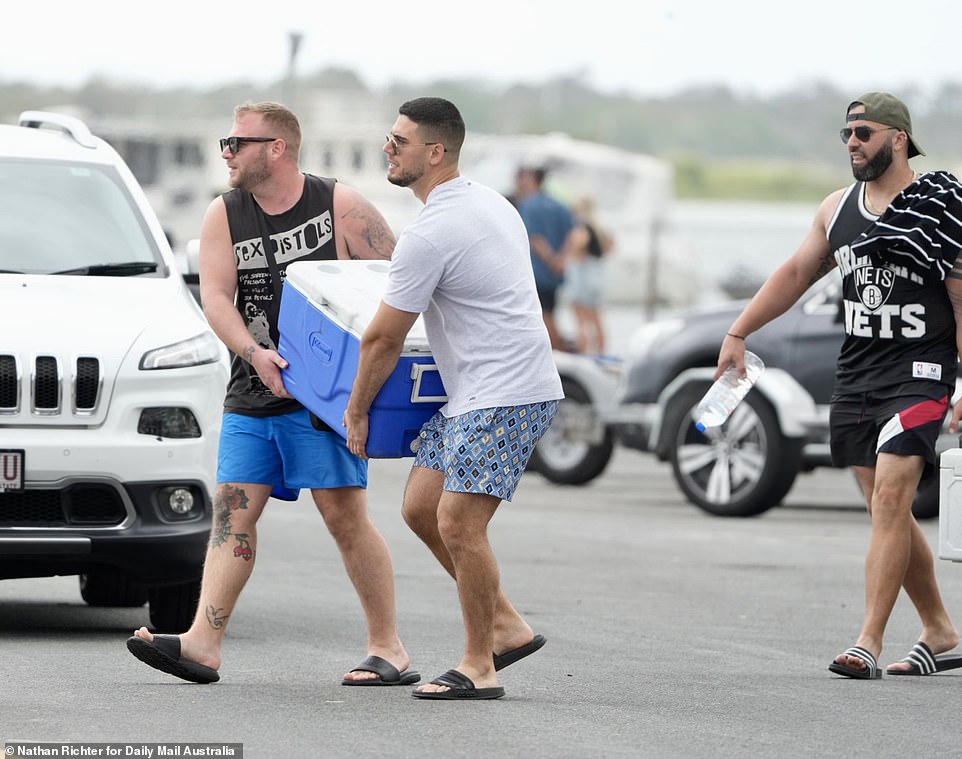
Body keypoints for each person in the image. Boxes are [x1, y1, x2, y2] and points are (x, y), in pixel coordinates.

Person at [126, 101, 418, 687]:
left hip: (323, 401)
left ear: (277, 148)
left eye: (237, 142)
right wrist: (254, 354)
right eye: (225, 142)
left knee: (344, 517)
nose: (226, 152)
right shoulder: (224, 214)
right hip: (252, 390)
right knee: (232, 515)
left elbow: (400, 281)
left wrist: (367, 370)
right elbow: (216, 298)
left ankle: (389, 649)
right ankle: (202, 644)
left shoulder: (339, 205)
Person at [715, 92, 962, 679]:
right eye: (847, 133)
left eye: (864, 132)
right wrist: (739, 331)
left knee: (891, 498)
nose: (852, 142)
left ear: (898, 139)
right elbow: (798, 273)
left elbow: (961, 298)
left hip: (920, 371)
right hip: (857, 375)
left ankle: (867, 642)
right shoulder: (838, 208)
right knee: (887, 511)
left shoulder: (941, 205)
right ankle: (941, 630)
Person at [343, 97, 564, 700]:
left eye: (400, 141)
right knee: (421, 506)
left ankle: (479, 665)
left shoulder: (432, 232)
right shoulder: (490, 202)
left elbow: (383, 338)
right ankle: (507, 625)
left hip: (507, 390)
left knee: (459, 523)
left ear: (435, 153)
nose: (389, 148)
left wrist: (356, 409)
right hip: (481, 388)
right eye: (390, 138)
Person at [514, 166, 576, 351]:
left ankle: (556, 352)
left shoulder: (529, 205)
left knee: (543, 316)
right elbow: (573, 233)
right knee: (551, 313)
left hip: (539, 271)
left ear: (533, 180)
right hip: (556, 273)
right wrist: (562, 259)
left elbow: (535, 238)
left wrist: (550, 259)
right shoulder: (560, 205)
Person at [564, 195, 614, 354]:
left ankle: (584, 355)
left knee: (581, 322)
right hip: (598, 275)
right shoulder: (601, 228)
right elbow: (612, 245)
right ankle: (601, 354)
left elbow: (579, 243)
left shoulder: (582, 226)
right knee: (598, 320)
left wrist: (570, 252)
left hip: (583, 277)